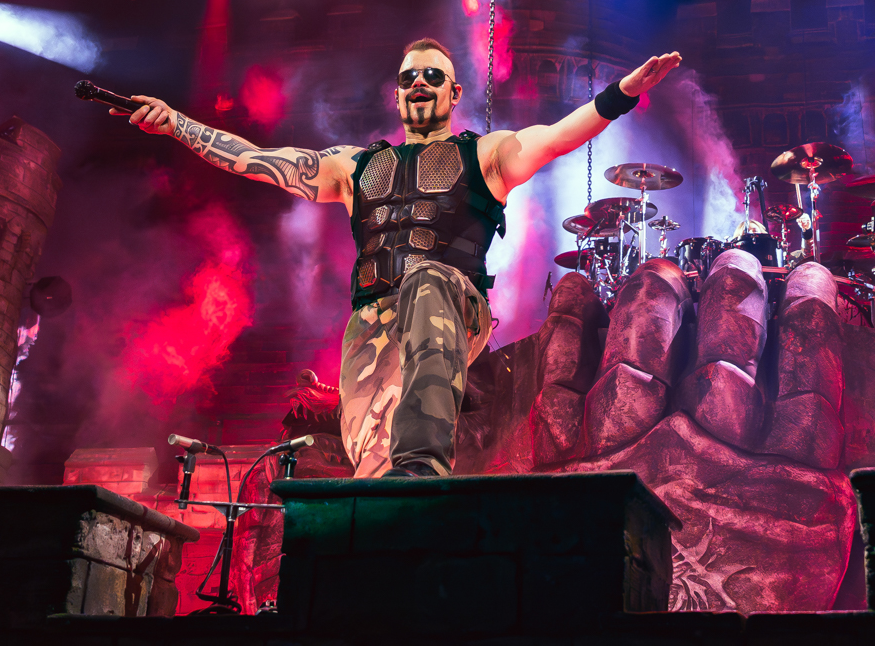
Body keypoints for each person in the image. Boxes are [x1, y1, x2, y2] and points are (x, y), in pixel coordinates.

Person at [121, 38, 681, 477]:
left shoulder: (486, 155)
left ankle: (425, 464)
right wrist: (177, 124)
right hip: (373, 322)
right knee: (372, 464)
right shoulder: (354, 167)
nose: (419, 83)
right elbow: (258, 158)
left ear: (454, 93)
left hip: (452, 304)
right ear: (396, 96)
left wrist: (622, 93)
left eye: (433, 76)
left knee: (427, 281)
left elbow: (557, 137)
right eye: (409, 77)